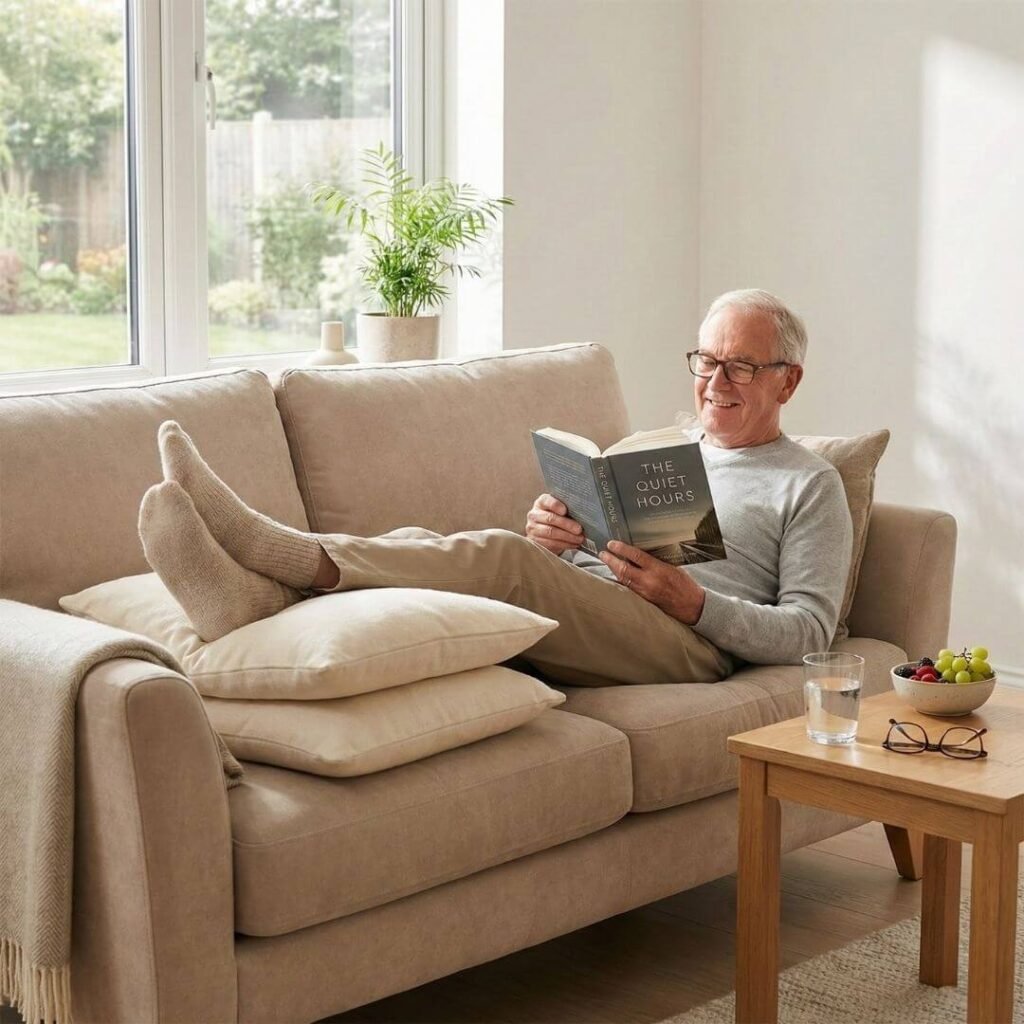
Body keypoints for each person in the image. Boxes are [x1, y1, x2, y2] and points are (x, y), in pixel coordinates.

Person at [138, 289, 852, 688]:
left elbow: (812, 633)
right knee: (433, 545)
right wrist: (562, 536)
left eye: (742, 368)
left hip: (689, 643)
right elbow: (598, 555)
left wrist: (693, 602)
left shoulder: (809, 484)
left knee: (499, 558)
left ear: (788, 379)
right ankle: (265, 598)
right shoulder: (661, 448)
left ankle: (279, 549)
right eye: (706, 361)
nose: (714, 383)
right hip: (604, 603)